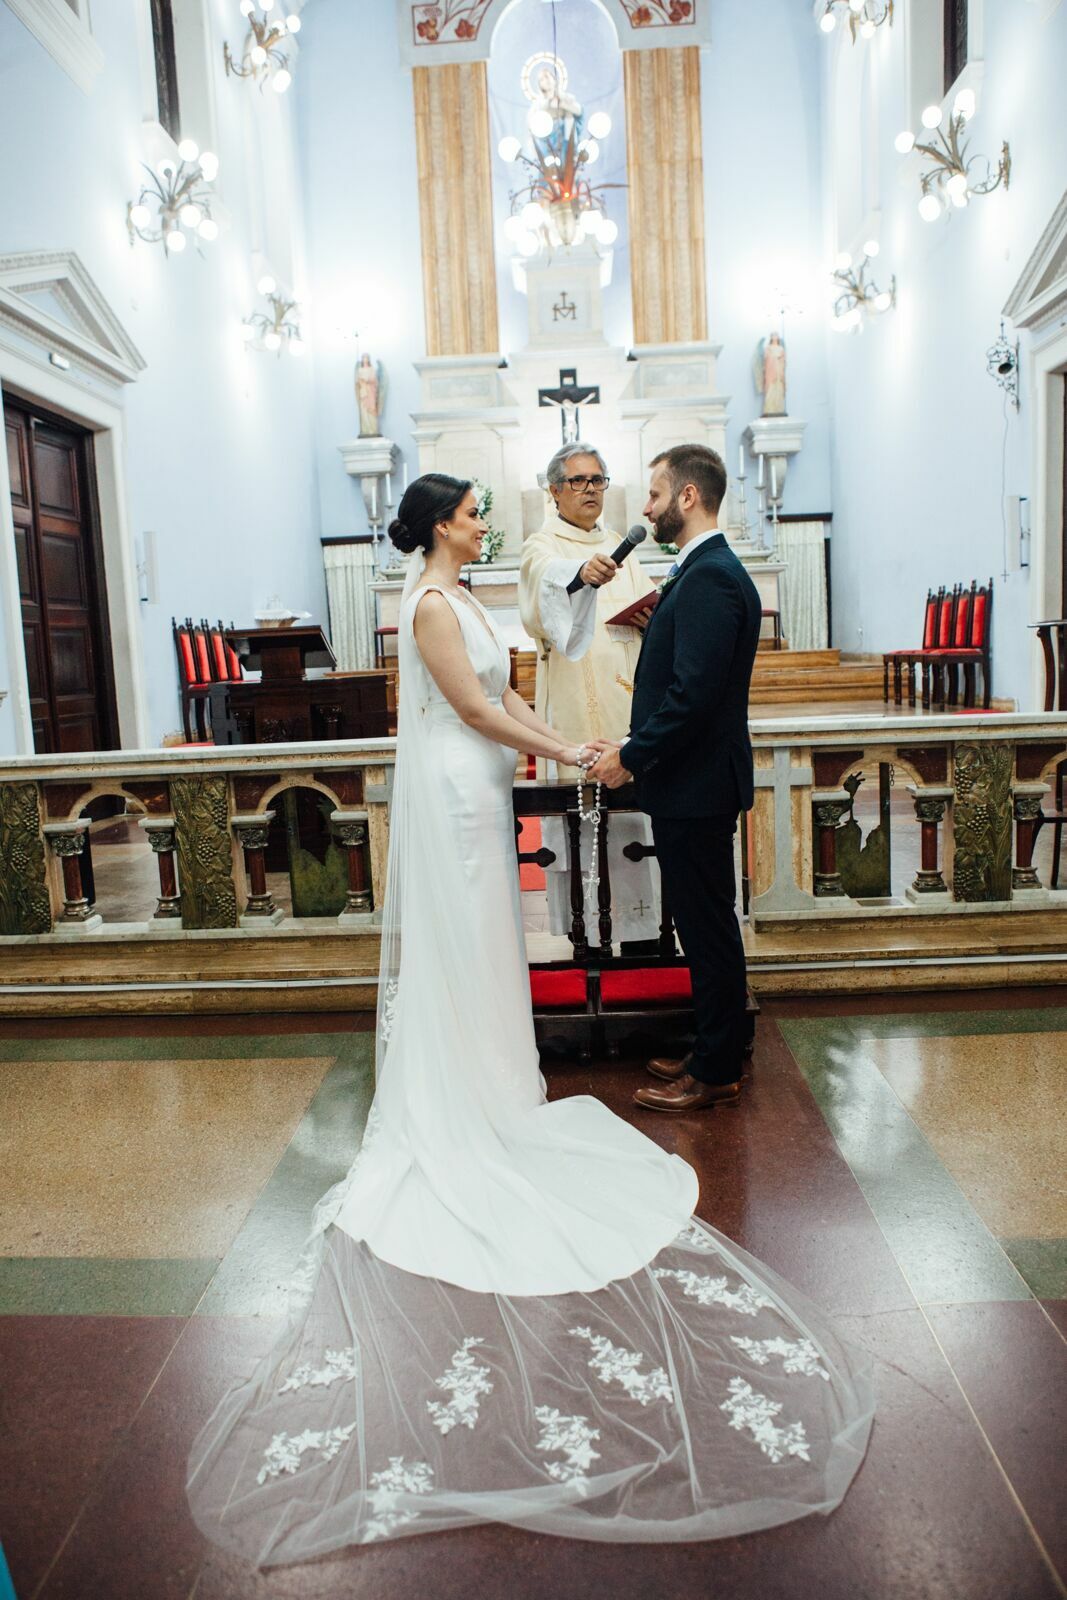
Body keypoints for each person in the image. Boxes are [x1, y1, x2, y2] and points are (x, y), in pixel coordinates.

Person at [186, 473, 873, 1565]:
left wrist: (559, 742)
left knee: (492, 949)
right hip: (464, 783)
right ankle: (455, 1099)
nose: (481, 520)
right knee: (467, 941)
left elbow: (505, 691)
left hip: (486, 776)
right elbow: (469, 708)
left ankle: (495, 1081)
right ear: (434, 526)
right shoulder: (426, 603)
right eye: (467, 510)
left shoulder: (460, 593)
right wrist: (571, 751)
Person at [588, 445, 762, 1112]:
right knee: (702, 922)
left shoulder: (712, 577)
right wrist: (634, 742)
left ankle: (716, 1067)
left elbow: (692, 697)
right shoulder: (703, 572)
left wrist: (631, 755)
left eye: (656, 494)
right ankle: (712, 1046)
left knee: (707, 925)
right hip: (692, 782)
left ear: (688, 497)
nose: (646, 507)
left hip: (696, 785)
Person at [519, 443, 661, 947]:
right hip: (577, 713)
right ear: (554, 490)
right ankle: (587, 936)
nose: (589, 490)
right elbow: (541, 593)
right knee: (584, 825)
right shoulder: (542, 546)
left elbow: (647, 605)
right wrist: (579, 576)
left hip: (627, 704)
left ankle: (643, 932)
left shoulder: (622, 543)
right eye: (578, 481)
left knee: (633, 824)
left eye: (597, 480)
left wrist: (651, 619)